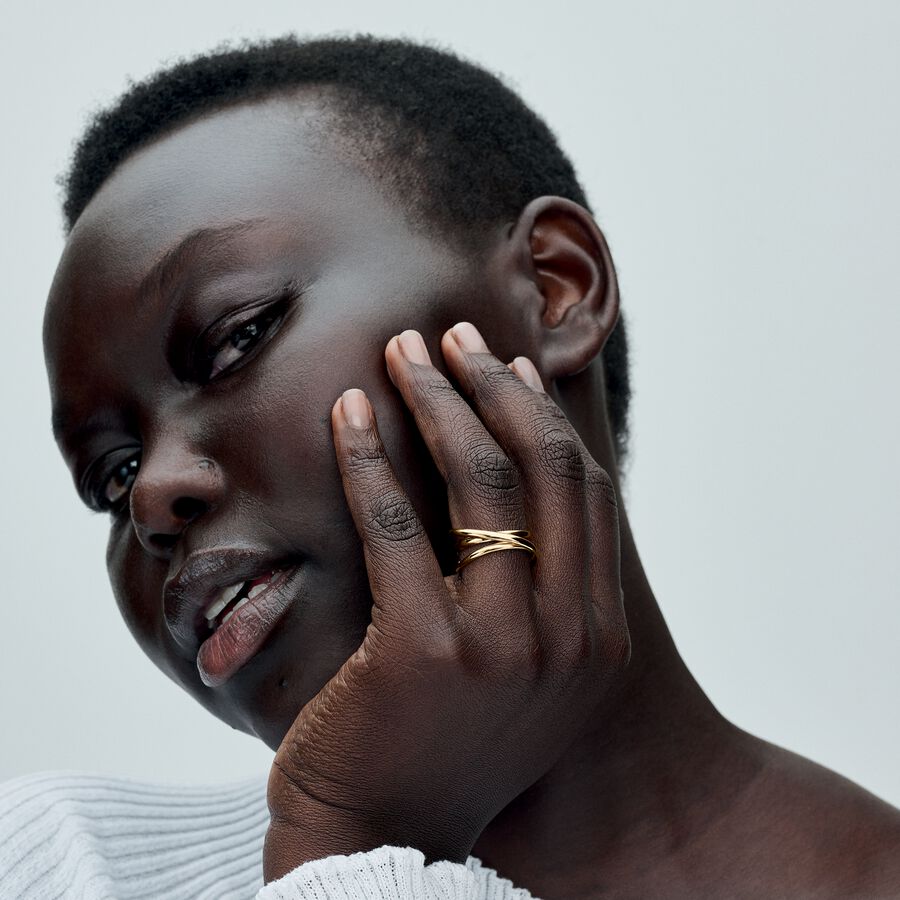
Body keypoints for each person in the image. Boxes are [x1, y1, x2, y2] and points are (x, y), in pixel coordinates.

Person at [2, 34, 898, 899]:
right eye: (111, 475)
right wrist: (347, 840)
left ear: (556, 287)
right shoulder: (53, 867)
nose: (153, 494)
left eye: (239, 336)